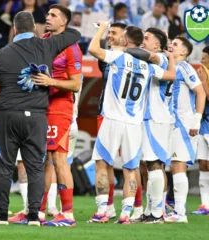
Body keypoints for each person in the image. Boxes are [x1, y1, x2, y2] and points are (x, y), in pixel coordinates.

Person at [0, 11, 81, 226]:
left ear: (14, 29)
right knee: (36, 167)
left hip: (8, 116)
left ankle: (3, 216)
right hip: (37, 116)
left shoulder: (3, 54)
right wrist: (56, 28)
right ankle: (34, 216)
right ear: (35, 28)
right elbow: (75, 35)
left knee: (5, 167)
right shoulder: (47, 46)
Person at [88, 22, 175, 224]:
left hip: (112, 120)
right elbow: (171, 75)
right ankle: (126, 214)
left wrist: (101, 29)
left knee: (102, 163)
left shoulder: (119, 57)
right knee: (130, 169)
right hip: (134, 125)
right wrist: (170, 58)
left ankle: (102, 211)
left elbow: (93, 49)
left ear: (126, 41)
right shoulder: (148, 66)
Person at [8, 5, 83, 226]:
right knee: (40, 161)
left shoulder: (71, 47)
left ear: (64, 22)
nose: (47, 18)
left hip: (60, 108)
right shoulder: (43, 41)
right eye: (48, 14)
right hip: (40, 105)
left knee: (59, 159)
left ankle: (67, 214)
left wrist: (51, 82)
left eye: (53, 15)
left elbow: (76, 84)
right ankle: (37, 212)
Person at [164, 36, 206, 223]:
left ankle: (180, 213)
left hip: (184, 124)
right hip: (170, 124)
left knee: (179, 165)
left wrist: (196, 119)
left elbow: (201, 92)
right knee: (173, 166)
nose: (171, 46)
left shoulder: (185, 68)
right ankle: (172, 210)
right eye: (171, 43)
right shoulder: (171, 67)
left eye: (175, 44)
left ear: (184, 52)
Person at [138, 28, 174, 223]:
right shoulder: (160, 60)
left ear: (158, 45)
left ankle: (158, 213)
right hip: (153, 118)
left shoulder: (160, 58)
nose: (143, 41)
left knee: (153, 164)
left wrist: (125, 48)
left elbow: (148, 55)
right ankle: (151, 210)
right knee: (150, 165)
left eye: (146, 38)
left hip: (156, 118)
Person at [96, 22, 127, 220]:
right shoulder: (107, 58)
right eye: (109, 32)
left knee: (132, 165)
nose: (109, 35)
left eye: (113, 33)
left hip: (128, 117)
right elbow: (96, 51)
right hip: (104, 114)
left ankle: (140, 207)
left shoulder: (134, 58)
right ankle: (109, 206)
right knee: (105, 162)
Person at [193, 46, 209, 215]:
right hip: (203, 124)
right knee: (203, 164)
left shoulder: (204, 77)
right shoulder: (200, 75)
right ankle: (205, 205)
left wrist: (203, 82)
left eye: (205, 58)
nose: (201, 61)